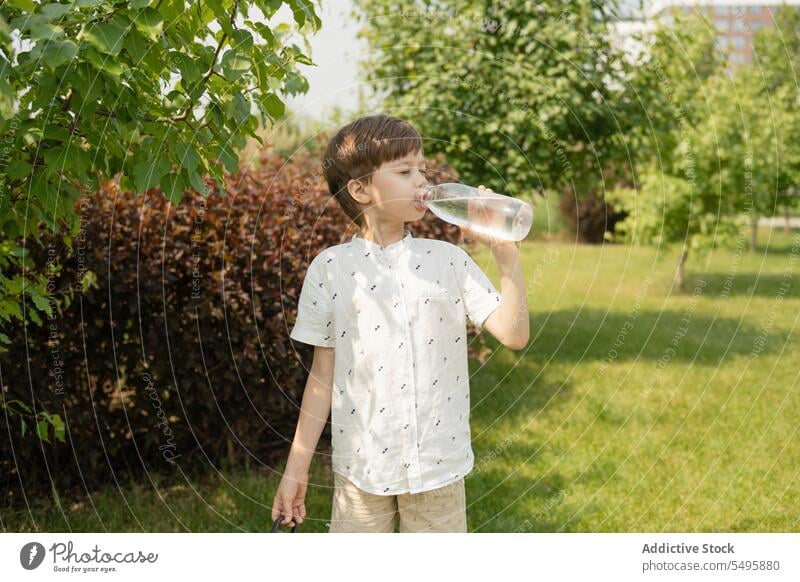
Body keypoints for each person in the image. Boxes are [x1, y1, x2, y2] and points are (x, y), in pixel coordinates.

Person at [271, 114, 529, 533]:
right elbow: (322, 377)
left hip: (437, 469)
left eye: (422, 169)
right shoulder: (331, 269)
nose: (421, 182)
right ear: (360, 189)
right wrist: (296, 467)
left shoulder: (448, 260)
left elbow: (514, 335)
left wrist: (506, 255)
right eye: (405, 171)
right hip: (361, 472)